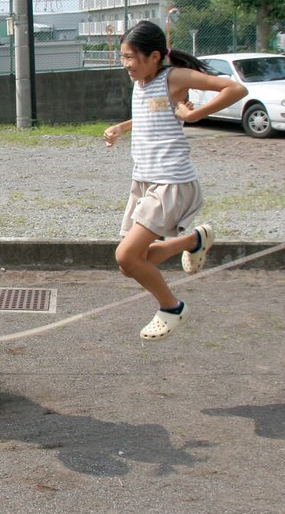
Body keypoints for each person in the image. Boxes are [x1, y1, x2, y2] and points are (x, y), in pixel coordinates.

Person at [103, 20, 248, 341]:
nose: (125, 64)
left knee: (126, 256)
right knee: (132, 263)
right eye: (123, 57)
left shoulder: (174, 77)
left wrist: (196, 114)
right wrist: (120, 128)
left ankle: (172, 308)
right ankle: (193, 240)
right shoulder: (142, 83)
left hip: (171, 182)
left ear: (154, 56)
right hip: (144, 180)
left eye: (130, 57)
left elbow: (236, 89)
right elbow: (150, 114)